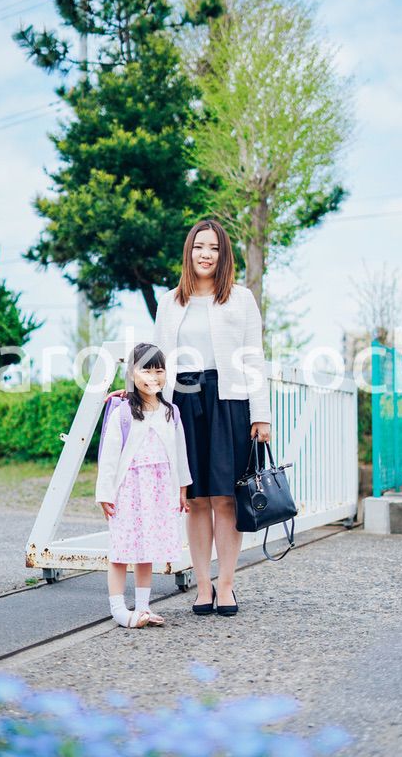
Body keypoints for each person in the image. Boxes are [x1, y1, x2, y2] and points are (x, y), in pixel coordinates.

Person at [107, 219, 272, 617]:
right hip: (183, 404)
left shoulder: (241, 299)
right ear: (189, 251)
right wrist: (134, 393)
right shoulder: (170, 302)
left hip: (229, 401)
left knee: (227, 499)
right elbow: (157, 362)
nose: (206, 254)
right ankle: (202, 586)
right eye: (200, 246)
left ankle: (228, 585)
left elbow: (254, 358)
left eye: (214, 248)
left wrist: (261, 415)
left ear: (223, 254)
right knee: (195, 499)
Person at [96, 342, 192, 628]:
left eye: (159, 370)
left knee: (146, 549)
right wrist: (105, 494)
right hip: (128, 490)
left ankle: (143, 608)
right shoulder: (122, 413)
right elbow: (109, 457)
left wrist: (182, 489)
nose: (153, 376)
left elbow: (180, 453)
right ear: (132, 373)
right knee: (121, 549)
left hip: (158, 491)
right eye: (145, 369)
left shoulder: (170, 411)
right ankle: (119, 610)